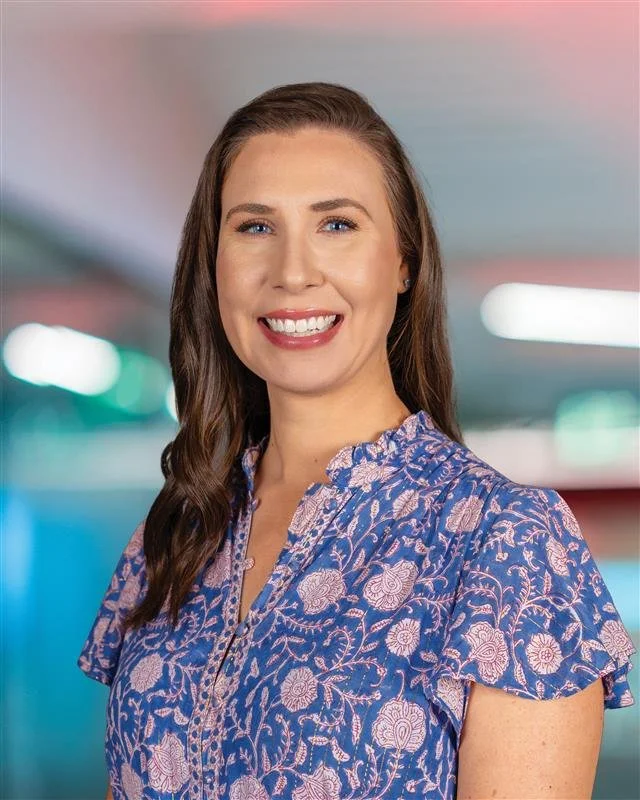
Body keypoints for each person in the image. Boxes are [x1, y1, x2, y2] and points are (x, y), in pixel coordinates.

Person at [77, 81, 636, 800]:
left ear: (403, 260)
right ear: (212, 267)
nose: (292, 272)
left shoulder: (507, 545)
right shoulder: (177, 532)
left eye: (336, 224)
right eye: (254, 227)